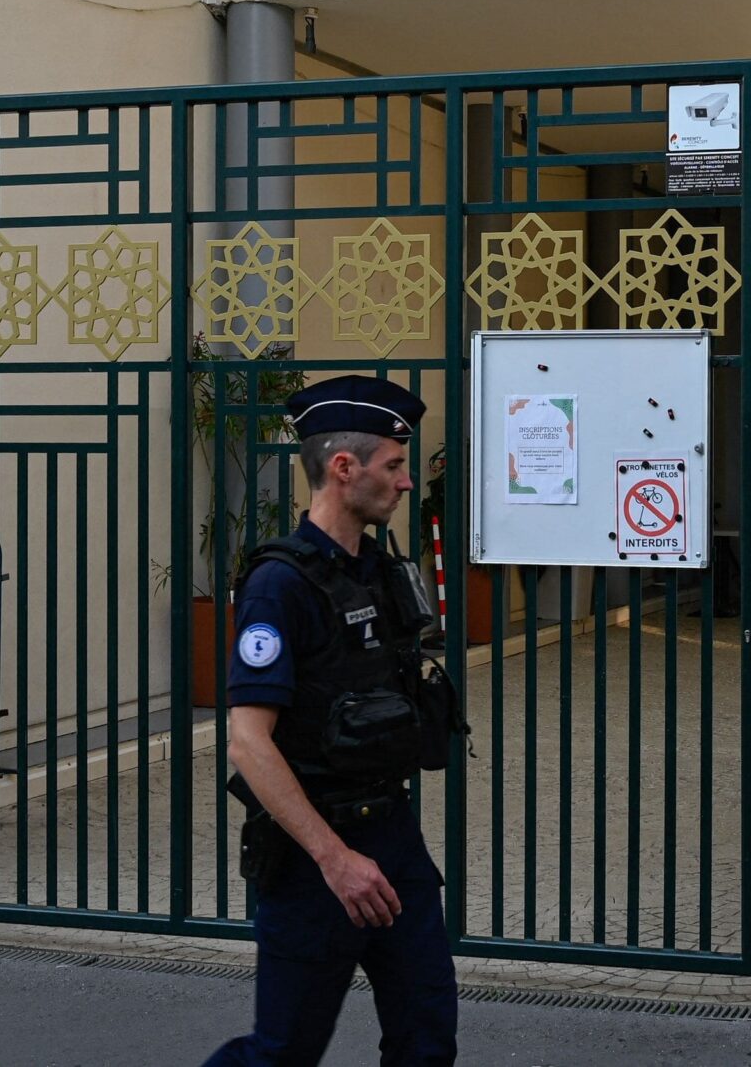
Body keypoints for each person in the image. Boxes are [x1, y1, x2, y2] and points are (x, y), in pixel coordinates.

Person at [204, 374, 461, 1067]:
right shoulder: (279, 585)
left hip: (394, 844)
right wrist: (334, 858)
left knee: (427, 1035)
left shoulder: (380, 569)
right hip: (315, 859)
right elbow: (248, 742)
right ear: (344, 468)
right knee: (282, 1053)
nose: (406, 482)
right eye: (395, 465)